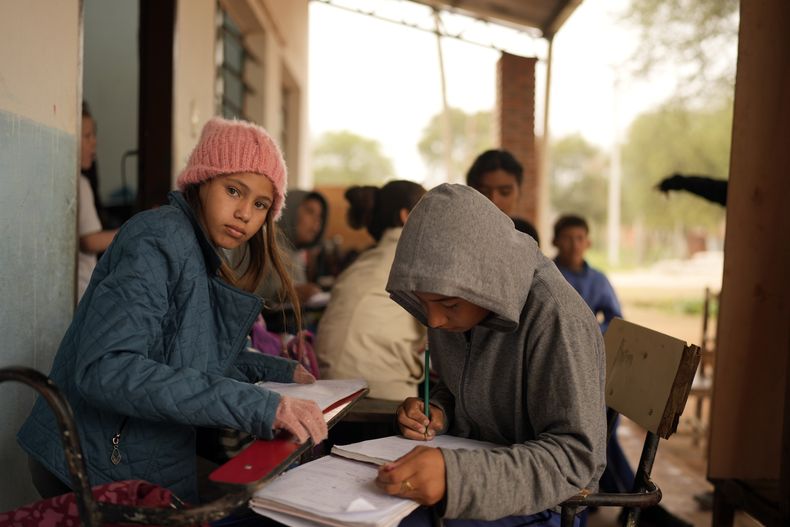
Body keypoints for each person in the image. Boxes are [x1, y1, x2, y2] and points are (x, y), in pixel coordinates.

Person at [17, 117, 327, 504]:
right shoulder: (159, 238)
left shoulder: (200, 252)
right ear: (201, 181)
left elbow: (190, 357)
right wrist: (258, 405)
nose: (246, 213)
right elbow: (108, 368)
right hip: (93, 461)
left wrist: (278, 372)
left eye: (261, 204)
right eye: (234, 190)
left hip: (134, 452)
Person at [375, 184, 607, 525]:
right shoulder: (456, 303)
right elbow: (463, 386)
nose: (434, 320)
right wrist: (439, 410)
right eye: (424, 305)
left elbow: (575, 459)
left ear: (489, 282)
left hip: (546, 504)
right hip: (479, 465)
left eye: (448, 305)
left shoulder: (558, 319)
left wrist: (456, 478)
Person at [316, 180, 427, 401]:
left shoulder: (365, 260)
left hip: (328, 385)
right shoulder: (417, 258)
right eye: (430, 212)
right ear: (406, 216)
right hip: (380, 389)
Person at [552, 215, 621, 333]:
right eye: (567, 238)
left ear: (588, 242)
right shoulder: (545, 274)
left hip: (588, 345)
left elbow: (616, 321)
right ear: (555, 242)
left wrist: (592, 332)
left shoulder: (599, 280)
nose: (574, 245)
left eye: (580, 238)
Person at [78, 103, 119, 300]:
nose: (94, 142)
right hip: (81, 291)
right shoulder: (81, 184)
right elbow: (90, 240)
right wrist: (130, 231)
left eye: (93, 135)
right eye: (87, 136)